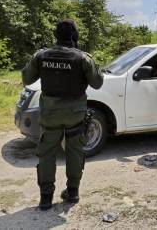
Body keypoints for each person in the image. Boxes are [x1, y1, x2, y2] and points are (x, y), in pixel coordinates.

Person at [22, 19, 104, 210]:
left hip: (50, 114)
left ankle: (45, 198)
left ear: (56, 36)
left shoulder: (41, 55)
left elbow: (27, 78)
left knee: (47, 152)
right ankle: (73, 192)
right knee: (75, 150)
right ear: (75, 36)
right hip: (75, 114)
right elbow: (97, 83)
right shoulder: (83, 58)